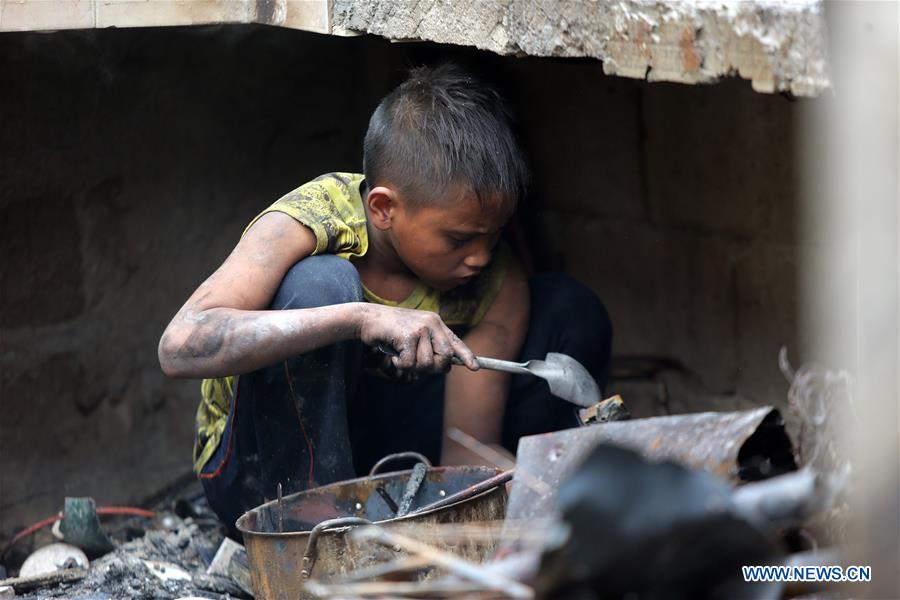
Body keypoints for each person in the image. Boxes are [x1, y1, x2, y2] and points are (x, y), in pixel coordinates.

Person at [158, 64, 612, 531]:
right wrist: (358, 319)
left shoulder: (493, 277)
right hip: (257, 476)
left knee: (566, 307)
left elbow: (463, 447)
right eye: (459, 239)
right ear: (383, 208)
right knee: (320, 284)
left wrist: (526, 493)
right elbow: (179, 347)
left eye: (491, 236)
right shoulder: (314, 220)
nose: (480, 257)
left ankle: (395, 524)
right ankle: (315, 532)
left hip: (382, 464)